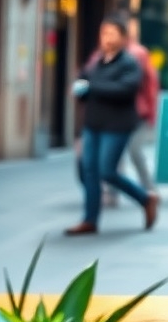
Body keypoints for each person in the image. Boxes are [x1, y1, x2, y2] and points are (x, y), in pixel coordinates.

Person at [66, 15, 159, 235]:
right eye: (103, 32)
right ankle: (90, 220)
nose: (106, 37)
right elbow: (85, 85)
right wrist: (80, 90)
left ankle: (145, 198)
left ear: (124, 37)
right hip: (93, 123)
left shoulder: (130, 63)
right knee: (89, 170)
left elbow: (124, 90)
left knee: (107, 171)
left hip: (117, 126)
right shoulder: (96, 61)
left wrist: (91, 87)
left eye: (112, 33)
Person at [103, 14, 160, 207]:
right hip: (114, 113)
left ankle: (150, 190)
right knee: (114, 155)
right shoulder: (106, 53)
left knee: (135, 151)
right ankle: (113, 192)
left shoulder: (138, 54)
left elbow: (150, 85)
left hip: (137, 113)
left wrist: (151, 112)